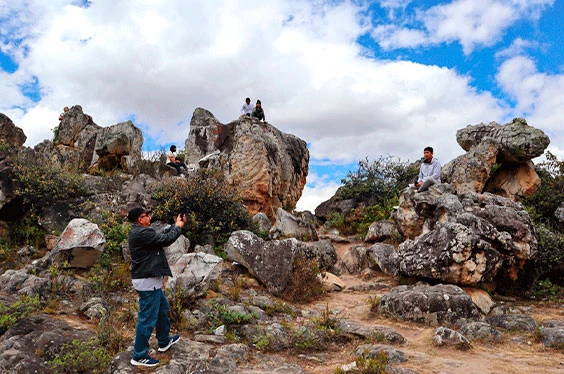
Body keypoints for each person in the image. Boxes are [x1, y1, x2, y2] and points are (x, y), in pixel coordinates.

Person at [128, 207, 186, 367]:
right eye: (147, 215)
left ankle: (164, 341)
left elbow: (161, 235)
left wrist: (174, 226)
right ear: (140, 219)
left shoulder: (141, 231)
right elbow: (165, 240)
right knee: (147, 319)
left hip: (150, 281)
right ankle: (138, 355)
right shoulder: (142, 233)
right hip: (147, 282)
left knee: (162, 309)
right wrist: (179, 226)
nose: (150, 217)